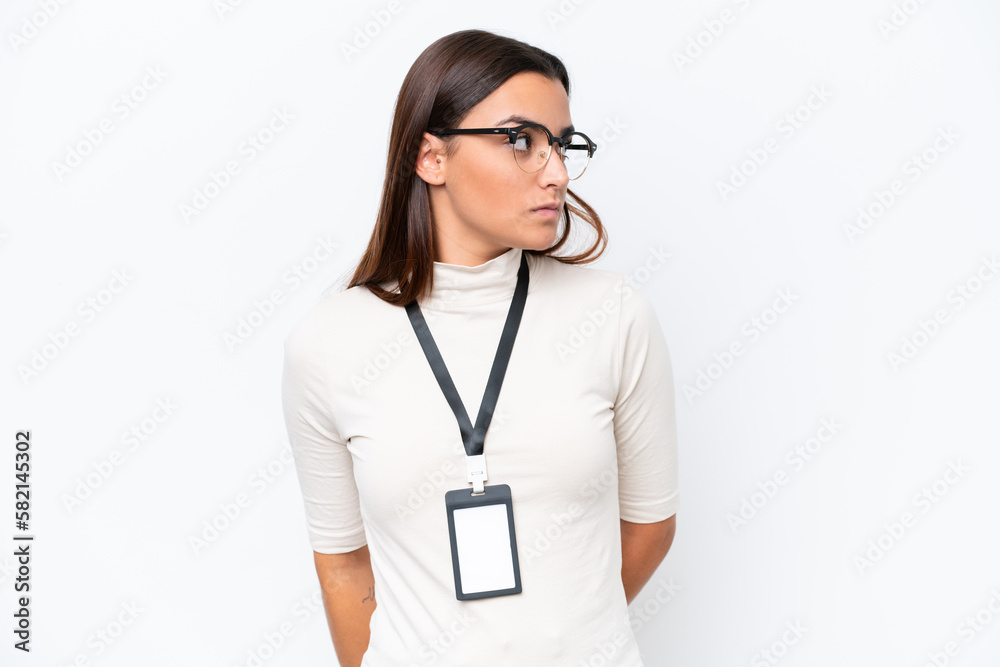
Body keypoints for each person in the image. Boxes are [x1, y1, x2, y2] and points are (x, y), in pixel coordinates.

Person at [281, 28, 679, 666]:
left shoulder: (613, 315)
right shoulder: (330, 342)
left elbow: (651, 525)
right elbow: (343, 563)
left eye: (562, 144)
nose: (556, 172)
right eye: (521, 141)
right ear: (431, 157)